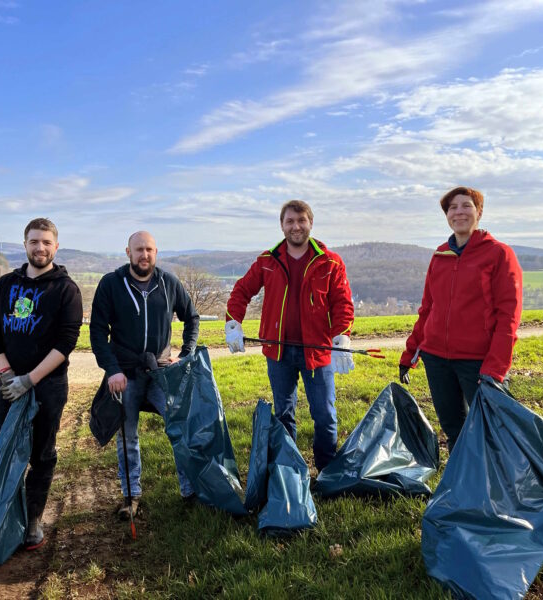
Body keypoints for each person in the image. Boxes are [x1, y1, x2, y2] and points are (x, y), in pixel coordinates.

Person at [225, 200, 355, 472]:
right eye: (290, 222)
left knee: (325, 415)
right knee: (284, 414)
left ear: (310, 223)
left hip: (317, 352)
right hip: (278, 352)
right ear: (282, 225)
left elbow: (342, 303)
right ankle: (290, 470)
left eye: (301, 221)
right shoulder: (267, 260)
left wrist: (341, 335)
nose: (296, 226)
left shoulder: (330, 262)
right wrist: (233, 322)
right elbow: (241, 291)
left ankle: (327, 471)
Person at [0, 217, 83, 550]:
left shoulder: (66, 290)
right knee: (1, 450)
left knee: (42, 454)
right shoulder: (5, 285)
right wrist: (7, 374)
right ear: (25, 245)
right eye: (34, 242)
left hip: (48, 385)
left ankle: (33, 521)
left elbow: (66, 342)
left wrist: (30, 379)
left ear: (56, 246)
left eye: (46, 242)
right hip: (8, 384)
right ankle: (3, 518)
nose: (40, 248)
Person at [399, 186, 522, 454]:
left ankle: (493, 488)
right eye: (452, 208)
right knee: (453, 427)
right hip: (437, 360)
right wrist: (410, 353)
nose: (459, 212)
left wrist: (496, 368)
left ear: (479, 212)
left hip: (478, 362)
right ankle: (459, 484)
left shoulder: (499, 254)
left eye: (466, 205)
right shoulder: (440, 255)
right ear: (447, 216)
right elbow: (428, 308)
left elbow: (508, 318)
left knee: (490, 429)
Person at [90, 231, 200, 519]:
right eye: (139, 249)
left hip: (161, 372)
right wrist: (112, 370)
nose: (144, 255)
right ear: (128, 252)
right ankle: (131, 496)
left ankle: (191, 492)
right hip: (125, 374)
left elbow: (192, 318)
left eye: (149, 249)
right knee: (127, 437)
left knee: (180, 427)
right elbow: (98, 333)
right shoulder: (111, 285)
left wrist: (186, 353)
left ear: (156, 252)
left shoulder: (168, 283)